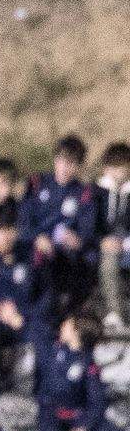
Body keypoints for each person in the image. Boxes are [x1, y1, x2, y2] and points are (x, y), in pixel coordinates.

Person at [0, 210, 48, 394]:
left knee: (42, 334)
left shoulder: (32, 257)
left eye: (8, 230)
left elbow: (45, 296)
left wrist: (22, 315)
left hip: (23, 318)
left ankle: (41, 391)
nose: (4, 237)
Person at [21, 134, 98, 319]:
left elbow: (86, 230)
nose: (65, 167)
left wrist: (77, 239)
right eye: (63, 161)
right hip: (36, 245)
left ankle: (74, 313)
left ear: (79, 167)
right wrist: (37, 237)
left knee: (90, 258)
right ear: (56, 160)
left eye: (72, 163)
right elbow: (23, 220)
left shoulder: (83, 193)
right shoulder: (37, 183)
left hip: (65, 251)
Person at [95, 142, 130, 331]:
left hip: (126, 243)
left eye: (123, 166)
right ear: (105, 168)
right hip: (103, 244)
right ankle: (114, 312)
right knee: (109, 262)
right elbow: (90, 223)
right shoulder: (96, 192)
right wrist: (102, 240)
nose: (119, 172)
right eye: (114, 167)